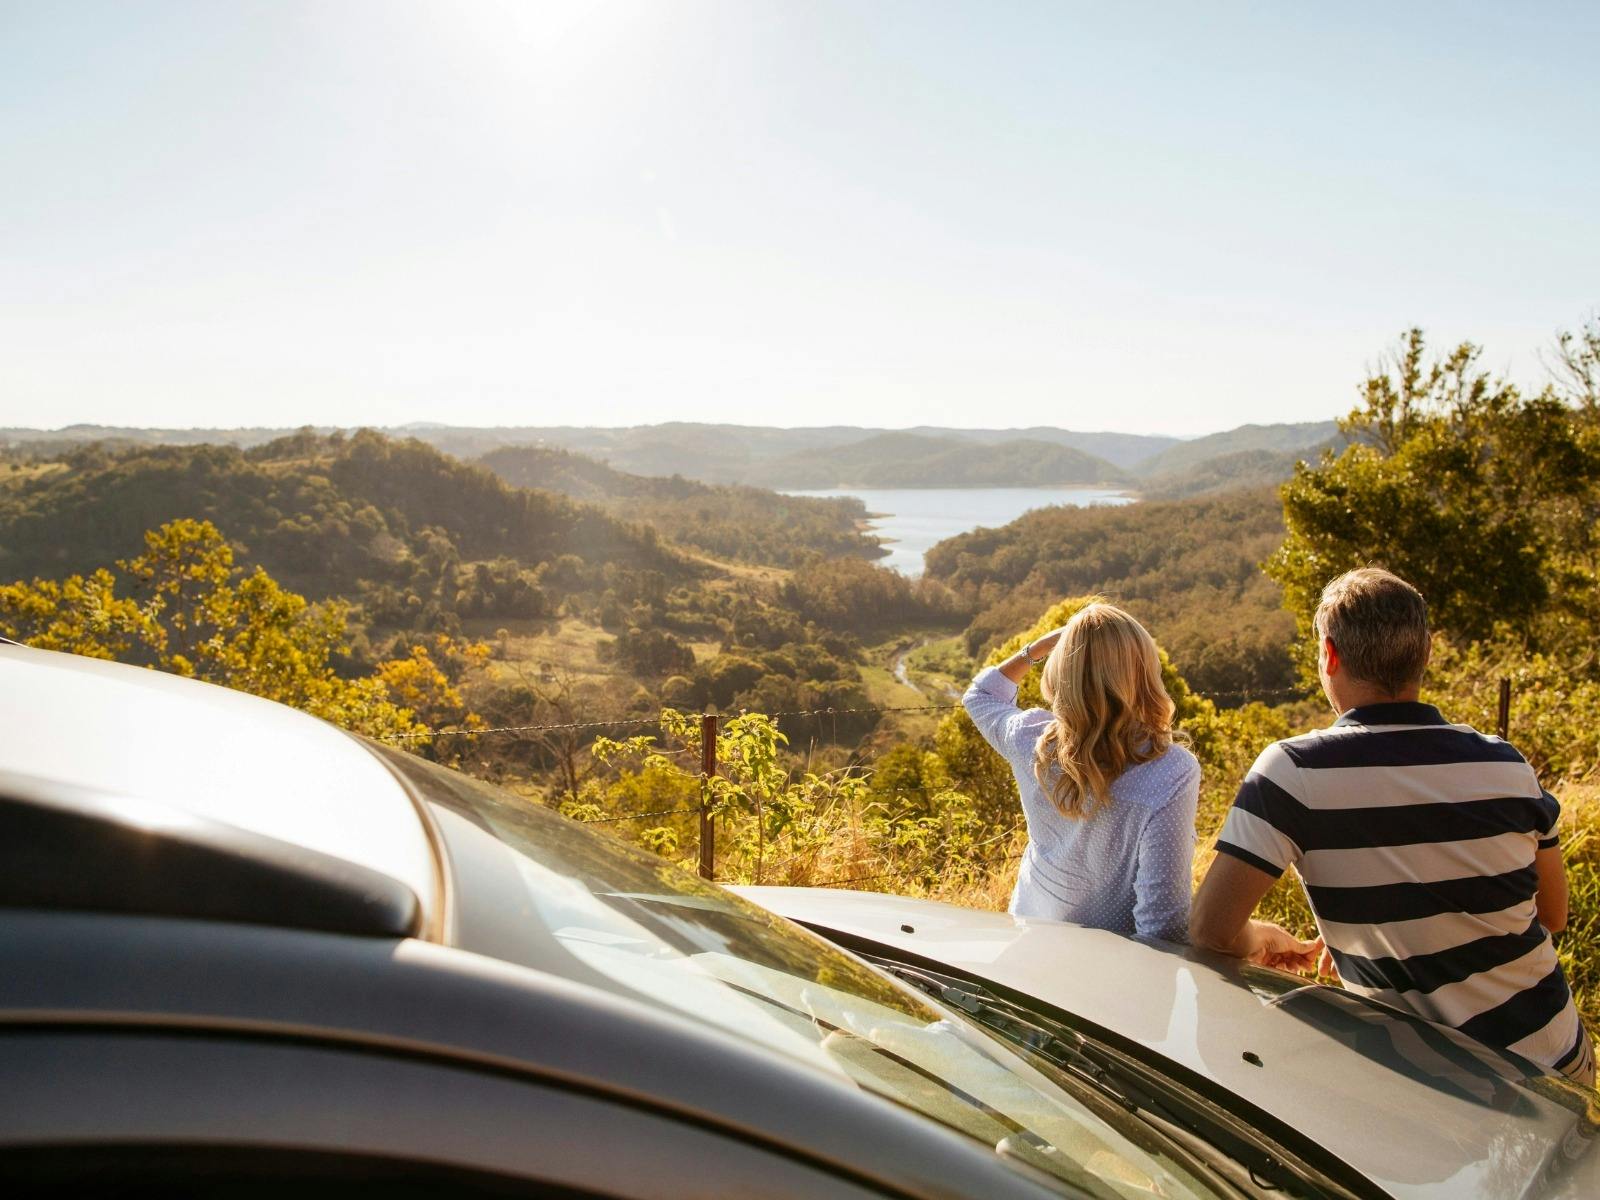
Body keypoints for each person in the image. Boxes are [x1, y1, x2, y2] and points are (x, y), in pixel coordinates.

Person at [1192, 567, 1593, 1087]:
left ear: (1330, 655)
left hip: (1427, 1088)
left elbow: (1209, 931)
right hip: (1554, 1062)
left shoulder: (1292, 773)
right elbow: (1553, 914)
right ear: (1426, 653)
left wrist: (1263, 938)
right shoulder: (1507, 764)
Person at [962, 601, 1200, 942]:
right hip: (1108, 971)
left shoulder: (1030, 739)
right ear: (1144, 673)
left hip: (1028, 944)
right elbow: (1164, 926)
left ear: (1062, 671)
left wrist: (1041, 647)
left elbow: (981, 695)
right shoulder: (1170, 771)